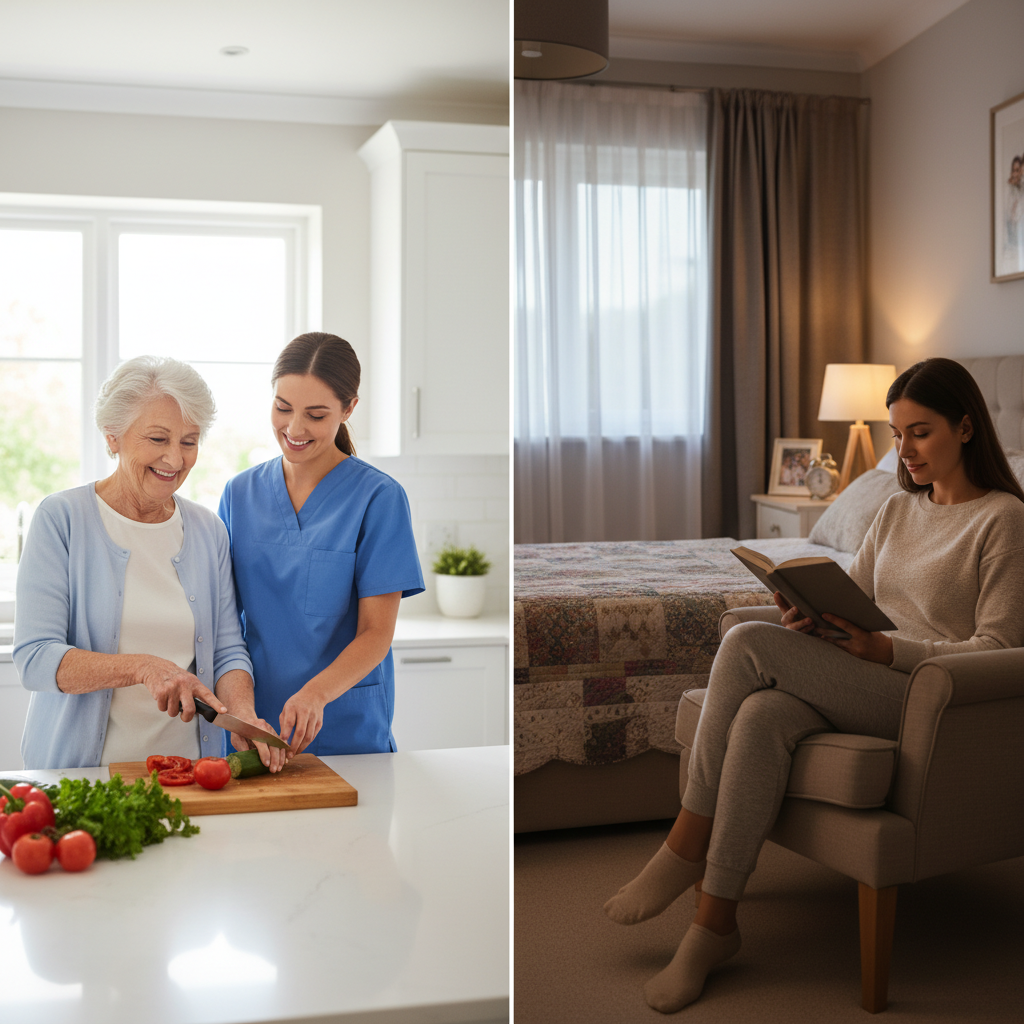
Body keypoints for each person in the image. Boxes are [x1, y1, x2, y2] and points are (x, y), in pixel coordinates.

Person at [603, 357, 1024, 1013]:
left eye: (920, 432)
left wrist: (888, 650)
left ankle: (686, 843)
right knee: (763, 713)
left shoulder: (1002, 520)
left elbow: (999, 648)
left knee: (745, 641)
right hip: (866, 668)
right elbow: (857, 601)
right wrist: (813, 618)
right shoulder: (893, 511)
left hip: (925, 698)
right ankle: (714, 924)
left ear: (966, 428)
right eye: (896, 434)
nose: (903, 451)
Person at [14, 356, 275, 770]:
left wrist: (241, 710)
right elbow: (35, 658)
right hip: (82, 774)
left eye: (189, 442)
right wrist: (143, 667)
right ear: (113, 436)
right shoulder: (61, 519)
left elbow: (228, 649)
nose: (174, 459)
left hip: (186, 771)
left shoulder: (208, 531)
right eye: (158, 439)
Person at [218, 332, 424, 764]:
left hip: (343, 727)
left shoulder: (379, 499)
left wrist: (316, 695)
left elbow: (376, 634)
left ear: (349, 409)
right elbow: (223, 621)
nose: (294, 429)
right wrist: (239, 709)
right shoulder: (239, 495)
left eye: (315, 414)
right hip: (251, 727)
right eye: (282, 408)